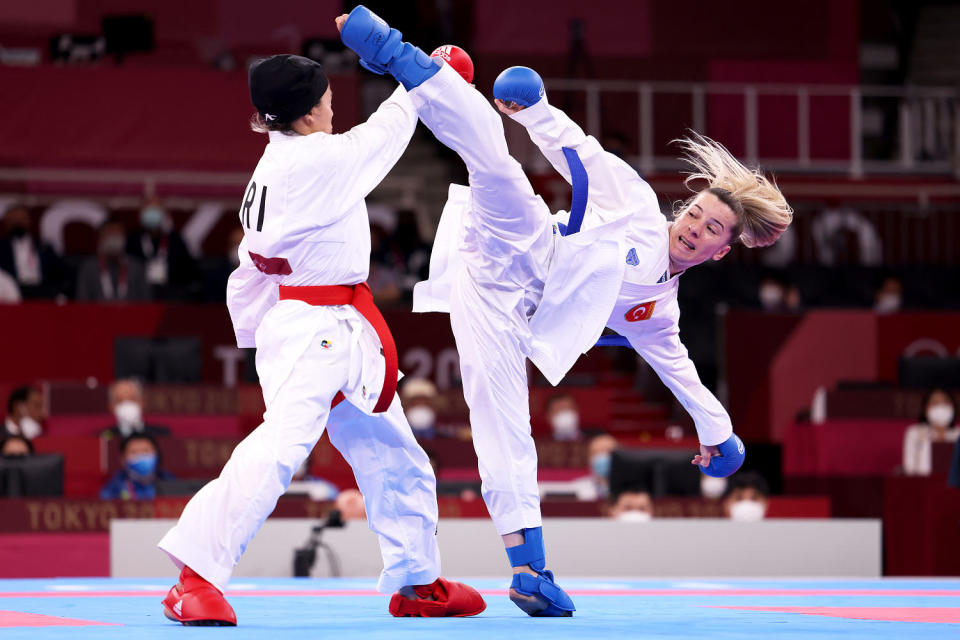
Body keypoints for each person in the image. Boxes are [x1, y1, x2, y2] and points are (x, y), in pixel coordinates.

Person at [338, 4, 789, 617]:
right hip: (520, 244)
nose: (693, 228)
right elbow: (582, 155)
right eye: (693, 215)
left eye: (710, 229)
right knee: (496, 162)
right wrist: (539, 111)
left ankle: (530, 573)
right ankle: (396, 53)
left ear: (720, 250)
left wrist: (720, 434)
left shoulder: (658, 312)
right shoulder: (633, 202)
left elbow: (679, 371)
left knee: (504, 426)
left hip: (500, 311)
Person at [155, 51, 484, 625]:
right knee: (280, 449)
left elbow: (253, 263)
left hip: (332, 324)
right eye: (329, 99)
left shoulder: (281, 163)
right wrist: (431, 75)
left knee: (395, 453)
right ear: (307, 114)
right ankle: (194, 578)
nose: (336, 107)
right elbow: (385, 133)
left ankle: (417, 581)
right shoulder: (312, 162)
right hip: (315, 326)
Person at [126, 200, 201, 300]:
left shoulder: (175, 240)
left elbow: (187, 273)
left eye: (155, 210)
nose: (152, 214)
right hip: (140, 295)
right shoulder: (133, 240)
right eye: (148, 210)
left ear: (164, 214)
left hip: (171, 296)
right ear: (141, 214)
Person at [75, 218, 150, 302]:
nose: (114, 238)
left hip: (131, 313)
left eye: (118, 234)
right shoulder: (89, 267)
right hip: (97, 314)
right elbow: (82, 302)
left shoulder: (136, 267)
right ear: (101, 238)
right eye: (110, 234)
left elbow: (146, 301)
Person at [100, 432, 174, 500]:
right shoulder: (114, 487)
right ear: (123, 459)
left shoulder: (170, 481)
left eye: (146, 451)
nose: (140, 456)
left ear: (157, 455)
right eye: (134, 452)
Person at [903, 388, 959, 476]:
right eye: (935, 403)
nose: (941, 407)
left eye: (945, 402)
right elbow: (910, 469)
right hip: (924, 485)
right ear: (926, 410)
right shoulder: (915, 433)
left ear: (953, 407)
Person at [100, 379, 171, 440]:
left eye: (132, 399)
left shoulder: (162, 435)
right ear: (111, 407)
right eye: (120, 401)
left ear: (142, 403)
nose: (127, 405)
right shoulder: (104, 437)